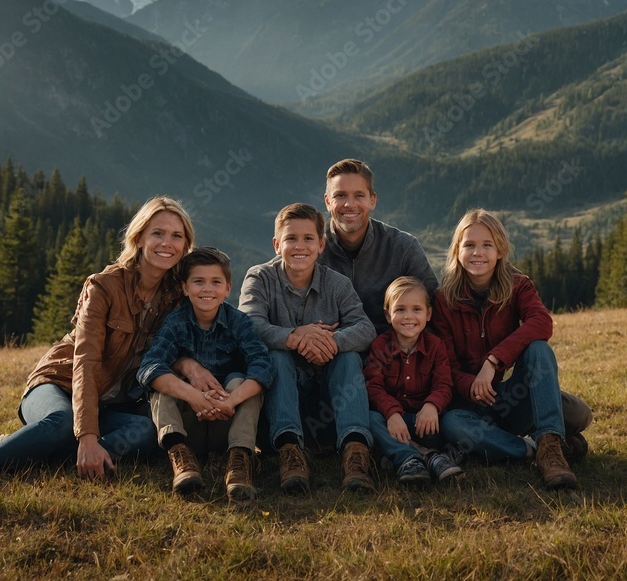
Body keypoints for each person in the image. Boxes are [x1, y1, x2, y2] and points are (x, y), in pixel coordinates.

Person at [0, 195, 195, 486]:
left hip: (110, 404)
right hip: (59, 383)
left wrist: (192, 367)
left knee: (145, 431)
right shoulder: (104, 287)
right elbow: (86, 362)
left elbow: (179, 345)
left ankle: (33, 450)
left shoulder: (176, 296)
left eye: (176, 236)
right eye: (158, 233)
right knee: (61, 423)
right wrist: (89, 435)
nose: (166, 243)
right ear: (140, 237)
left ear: (185, 245)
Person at [432, 208, 593, 491]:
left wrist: (494, 360)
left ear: (500, 250)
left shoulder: (518, 285)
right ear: (457, 250)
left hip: (513, 395)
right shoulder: (444, 300)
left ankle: (550, 445)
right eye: (469, 245)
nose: (477, 252)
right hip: (473, 407)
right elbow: (445, 363)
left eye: (487, 245)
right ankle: (534, 449)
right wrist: (472, 386)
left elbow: (542, 322)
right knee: (453, 424)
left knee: (544, 359)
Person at [239, 202, 377, 494]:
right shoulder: (259, 278)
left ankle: (355, 452)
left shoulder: (337, 284)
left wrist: (331, 341)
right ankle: (290, 452)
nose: (299, 246)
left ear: (321, 245)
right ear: (277, 244)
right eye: (290, 239)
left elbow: (365, 328)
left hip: (328, 398)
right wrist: (296, 338)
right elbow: (249, 326)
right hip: (280, 401)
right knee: (276, 355)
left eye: (308, 239)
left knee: (349, 356)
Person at [137, 246, 273, 501]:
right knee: (161, 384)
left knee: (243, 382)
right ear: (185, 288)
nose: (207, 289)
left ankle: (239, 461)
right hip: (190, 426)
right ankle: (180, 456)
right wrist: (193, 395)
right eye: (198, 282)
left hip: (228, 420)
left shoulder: (239, 322)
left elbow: (263, 366)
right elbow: (149, 366)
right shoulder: (175, 323)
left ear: (227, 288)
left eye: (215, 282)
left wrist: (230, 400)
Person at [364, 276, 463, 486]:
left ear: (428, 314)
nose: (409, 316)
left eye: (416, 309)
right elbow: (373, 386)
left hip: (425, 423)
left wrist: (431, 406)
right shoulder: (380, 346)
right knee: (371, 420)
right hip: (394, 423)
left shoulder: (436, 346)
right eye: (400, 310)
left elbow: (444, 384)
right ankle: (416, 459)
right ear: (388, 315)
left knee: (452, 422)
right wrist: (391, 413)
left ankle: (417, 453)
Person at [320, 158, 439, 333]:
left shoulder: (403, 247)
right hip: (327, 353)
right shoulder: (311, 247)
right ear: (328, 202)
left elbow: (435, 310)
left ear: (372, 200)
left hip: (389, 354)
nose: (349, 204)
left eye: (359, 195)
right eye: (340, 195)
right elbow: (273, 275)